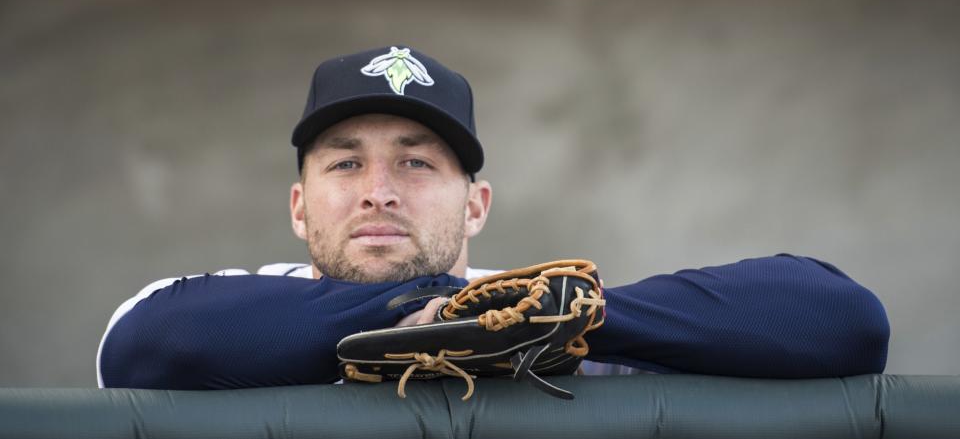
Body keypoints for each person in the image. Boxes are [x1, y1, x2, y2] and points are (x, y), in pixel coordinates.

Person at [97, 46, 890, 390]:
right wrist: (432, 318)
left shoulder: (547, 317)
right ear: (300, 208)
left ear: (476, 204)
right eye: (345, 161)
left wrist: (551, 318)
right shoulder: (234, 305)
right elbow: (139, 344)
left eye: (417, 160)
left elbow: (844, 321)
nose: (379, 188)